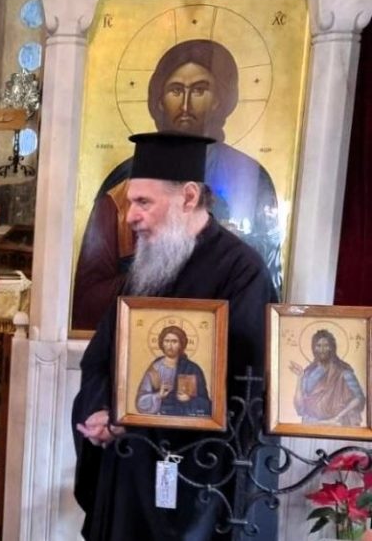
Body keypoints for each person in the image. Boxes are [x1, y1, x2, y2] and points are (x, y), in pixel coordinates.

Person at [73, 132, 278, 541]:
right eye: (129, 204)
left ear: (188, 196)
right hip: (131, 471)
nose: (131, 217)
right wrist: (99, 409)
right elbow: (101, 359)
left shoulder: (241, 271)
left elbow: (249, 388)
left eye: (143, 202)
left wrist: (155, 419)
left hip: (203, 490)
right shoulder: (144, 270)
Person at [72, 39, 280, 330]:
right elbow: (87, 302)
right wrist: (152, 273)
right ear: (158, 99)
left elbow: (262, 306)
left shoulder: (251, 178)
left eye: (199, 90)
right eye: (175, 90)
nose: (185, 105)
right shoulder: (118, 191)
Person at [292, 329, 366, 426]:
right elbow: (300, 409)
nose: (322, 349)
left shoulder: (343, 372)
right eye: (318, 346)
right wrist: (300, 378)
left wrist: (338, 417)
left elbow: (359, 398)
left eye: (326, 345)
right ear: (313, 348)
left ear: (332, 348)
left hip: (338, 424)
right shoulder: (308, 374)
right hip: (312, 424)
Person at [135, 325, 211, 417]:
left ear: (181, 344)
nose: (170, 346)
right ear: (161, 343)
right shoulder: (155, 369)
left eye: (174, 341)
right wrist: (158, 395)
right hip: (159, 421)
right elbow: (140, 403)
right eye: (167, 341)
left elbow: (207, 406)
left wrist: (189, 399)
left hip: (185, 421)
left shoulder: (192, 369)